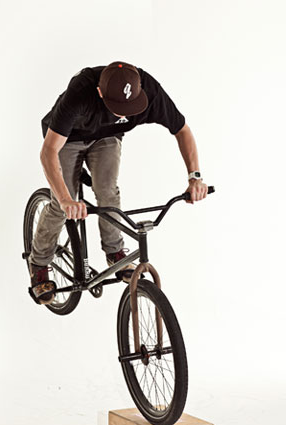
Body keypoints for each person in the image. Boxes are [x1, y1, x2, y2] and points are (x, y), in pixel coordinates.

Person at [28, 61, 208, 304]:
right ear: (99, 93)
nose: (124, 114)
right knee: (61, 207)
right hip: (68, 138)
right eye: (117, 108)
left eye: (130, 107)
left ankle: (115, 253)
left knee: (108, 193)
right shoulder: (80, 93)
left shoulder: (150, 91)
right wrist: (65, 199)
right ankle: (39, 263)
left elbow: (182, 130)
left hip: (107, 136)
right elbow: (48, 151)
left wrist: (195, 177)